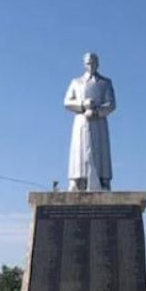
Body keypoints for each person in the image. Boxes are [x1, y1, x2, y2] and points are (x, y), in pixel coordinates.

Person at [64, 53, 116, 191]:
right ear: (84, 64)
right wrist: (82, 104)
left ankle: (103, 180)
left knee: (101, 150)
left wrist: (97, 112)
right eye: (88, 62)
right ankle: (76, 180)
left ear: (98, 64)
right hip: (82, 120)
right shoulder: (76, 82)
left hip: (99, 121)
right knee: (79, 151)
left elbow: (111, 104)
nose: (90, 65)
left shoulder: (105, 82)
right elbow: (67, 102)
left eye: (93, 62)